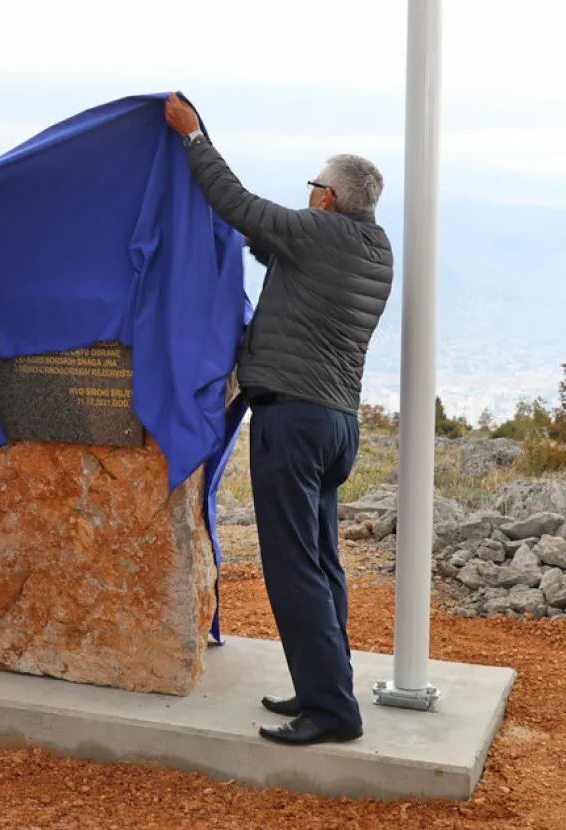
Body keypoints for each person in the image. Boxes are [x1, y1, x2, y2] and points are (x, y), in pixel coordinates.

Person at [163, 93, 394, 746]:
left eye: (314, 185)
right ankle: (328, 683)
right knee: (322, 563)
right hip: (336, 426)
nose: (309, 194)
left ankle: (331, 713)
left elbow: (240, 207)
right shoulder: (374, 249)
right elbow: (277, 249)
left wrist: (195, 139)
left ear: (329, 198)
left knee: (293, 569)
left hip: (293, 421)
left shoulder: (319, 232)